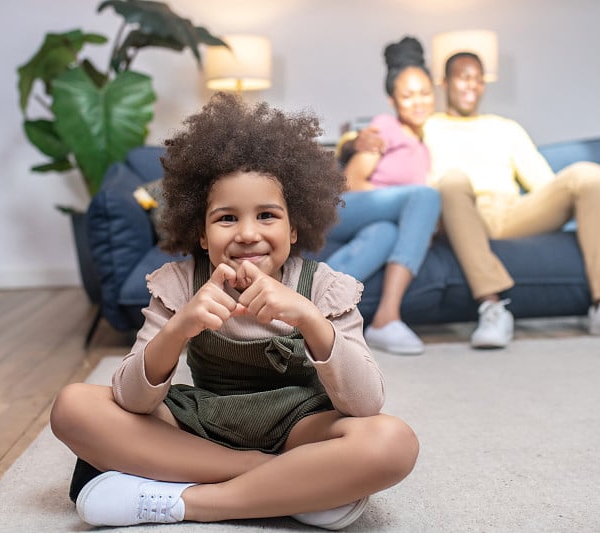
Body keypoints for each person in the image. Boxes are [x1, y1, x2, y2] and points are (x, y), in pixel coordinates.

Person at [50, 93, 419, 530]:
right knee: (73, 406)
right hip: (202, 422)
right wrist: (180, 326)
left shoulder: (325, 287)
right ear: (201, 233)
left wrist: (310, 320)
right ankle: (290, 487)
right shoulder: (179, 283)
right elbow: (132, 399)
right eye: (226, 218)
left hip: (298, 429)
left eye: (267, 215)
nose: (248, 234)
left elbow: (365, 403)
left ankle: (190, 502)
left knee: (392, 441)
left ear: (294, 226)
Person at [355, 51, 600, 349]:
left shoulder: (506, 127)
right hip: (461, 211)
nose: (470, 85)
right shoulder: (426, 125)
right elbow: (381, 137)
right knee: (452, 180)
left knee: (589, 174)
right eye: (462, 77)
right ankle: (493, 308)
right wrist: (351, 142)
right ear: (444, 83)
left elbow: (545, 184)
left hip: (514, 211)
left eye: (477, 79)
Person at [324, 36, 440, 355]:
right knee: (426, 198)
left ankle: (310, 308)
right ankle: (388, 317)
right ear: (392, 100)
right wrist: (406, 205)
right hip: (343, 209)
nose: (418, 102)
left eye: (424, 93)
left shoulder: (427, 138)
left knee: (385, 234)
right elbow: (351, 182)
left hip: (375, 220)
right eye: (408, 95)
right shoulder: (384, 128)